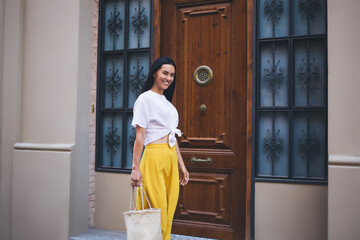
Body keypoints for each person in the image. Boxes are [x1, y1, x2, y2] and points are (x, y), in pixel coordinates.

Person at [130, 57, 189, 240]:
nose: (168, 78)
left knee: (168, 213)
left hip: (170, 159)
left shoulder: (168, 104)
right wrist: (135, 168)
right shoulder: (145, 99)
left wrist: (182, 165)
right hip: (154, 158)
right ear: (155, 72)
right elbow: (140, 135)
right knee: (157, 214)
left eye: (172, 75)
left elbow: (173, 137)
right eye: (165, 73)